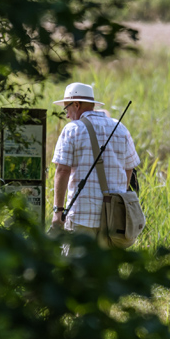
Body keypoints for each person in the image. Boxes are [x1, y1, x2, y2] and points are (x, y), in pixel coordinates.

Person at [51, 82, 140, 242]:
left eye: (67, 109)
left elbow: (62, 171)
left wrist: (58, 212)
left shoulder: (72, 130)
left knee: (76, 265)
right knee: (107, 266)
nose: (67, 115)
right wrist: (117, 201)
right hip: (114, 218)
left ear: (76, 105)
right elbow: (129, 168)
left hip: (81, 216)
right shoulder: (120, 128)